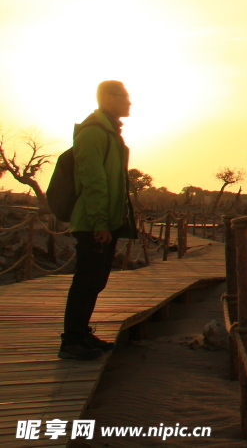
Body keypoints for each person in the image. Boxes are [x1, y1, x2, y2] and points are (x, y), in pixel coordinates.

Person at [59, 81, 138, 360]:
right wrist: (100, 223)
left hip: (105, 222)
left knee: (96, 281)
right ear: (107, 98)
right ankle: (71, 341)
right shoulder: (93, 133)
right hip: (94, 223)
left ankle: (81, 334)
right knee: (86, 280)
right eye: (124, 97)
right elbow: (93, 181)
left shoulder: (109, 132)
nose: (129, 102)